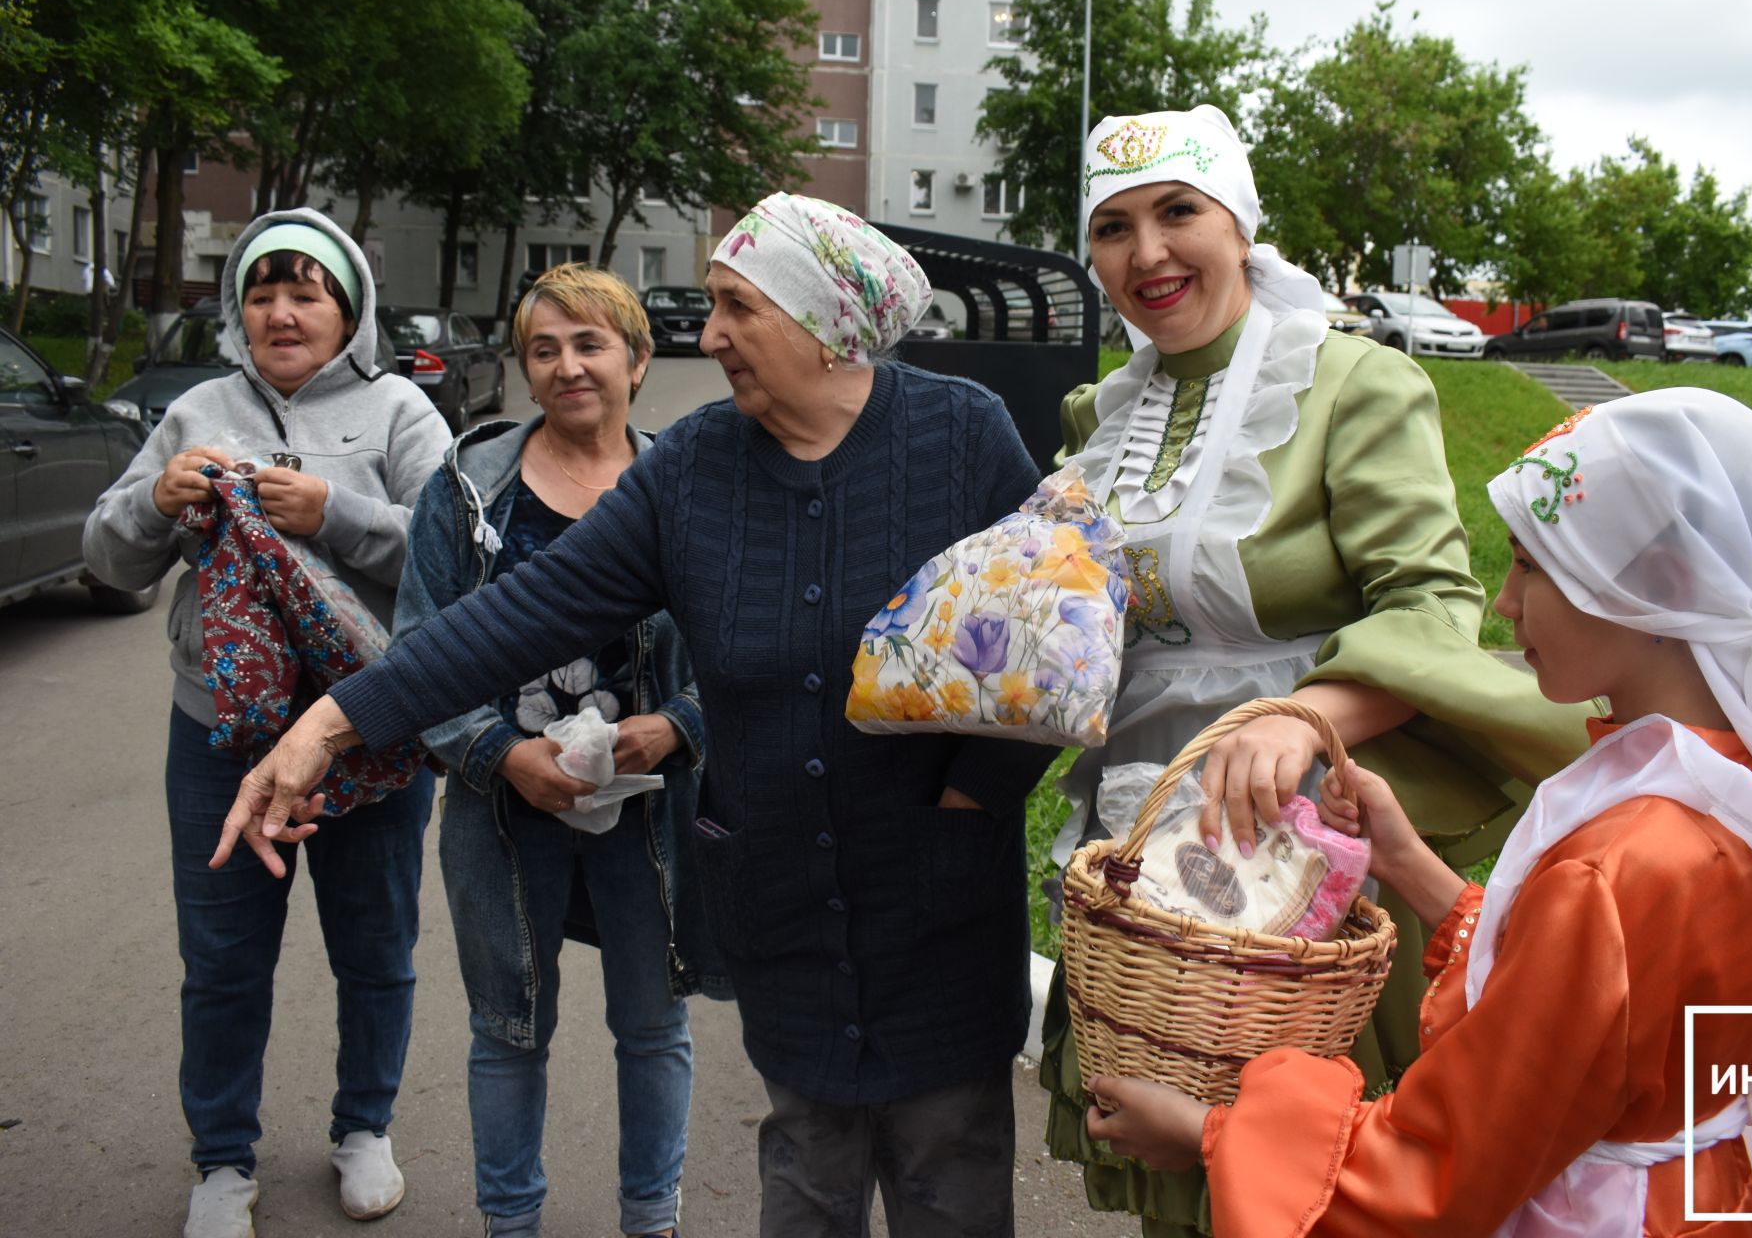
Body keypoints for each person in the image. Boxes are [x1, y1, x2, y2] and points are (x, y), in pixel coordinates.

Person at [215, 193, 1060, 1237]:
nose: (709, 337)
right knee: (805, 1179)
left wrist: (974, 796)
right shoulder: (694, 468)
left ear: (823, 317)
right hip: (787, 911)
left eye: (736, 308)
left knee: (951, 1184)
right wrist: (327, 726)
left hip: (940, 910)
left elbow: (1057, 639)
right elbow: (516, 614)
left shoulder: (960, 435)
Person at [1077, 388, 1752, 1236]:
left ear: (1644, 586)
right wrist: (1405, 860)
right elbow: (1604, 1002)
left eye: (1530, 564)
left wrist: (1213, 1133)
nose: (1507, 602)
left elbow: (1443, 1165)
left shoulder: (1628, 859)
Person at [1037, 103, 1596, 1234]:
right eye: (1112, 226)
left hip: (1319, 848)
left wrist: (1301, 714)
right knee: (1177, 1158)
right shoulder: (1097, 417)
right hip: (1150, 839)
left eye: (1178, 211)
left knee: (1312, 1177)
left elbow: (1433, 602)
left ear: (1238, 222)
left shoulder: (1351, 383)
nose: (1146, 253)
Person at [81, 208, 450, 1238]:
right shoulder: (195, 410)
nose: (283, 312)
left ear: (347, 307)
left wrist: (331, 511)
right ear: (238, 306)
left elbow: (456, 556)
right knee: (223, 957)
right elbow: (108, 560)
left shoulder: (401, 414)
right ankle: (221, 1160)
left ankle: (364, 1127)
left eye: (308, 291)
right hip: (220, 736)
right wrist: (156, 497)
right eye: (263, 291)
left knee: (376, 946)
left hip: (367, 729)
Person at [392, 263, 722, 1237]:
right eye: (545, 348)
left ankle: (649, 1219)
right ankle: (511, 1222)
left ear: (638, 356)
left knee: (653, 1028)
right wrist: (496, 750)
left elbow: (744, 646)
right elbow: (418, 650)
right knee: (507, 1030)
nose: (569, 365)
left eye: (590, 343)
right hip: (503, 812)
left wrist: (679, 725)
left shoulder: (690, 486)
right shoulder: (466, 489)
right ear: (525, 368)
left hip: (648, 815)